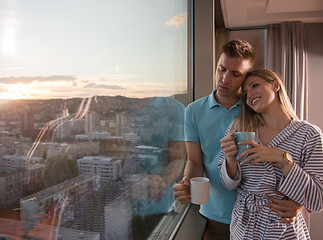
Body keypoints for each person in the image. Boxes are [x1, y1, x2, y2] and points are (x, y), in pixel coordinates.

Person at [172, 40, 303, 240]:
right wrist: (186, 183)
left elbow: (291, 154)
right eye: (221, 69)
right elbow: (195, 161)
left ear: (246, 78)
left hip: (261, 218)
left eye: (236, 74)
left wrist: (299, 202)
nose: (225, 79)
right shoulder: (194, 111)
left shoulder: (257, 107)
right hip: (214, 215)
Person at [219, 68, 323, 239]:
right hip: (244, 229)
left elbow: (317, 199)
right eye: (245, 93)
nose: (250, 95)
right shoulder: (238, 128)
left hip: (285, 230)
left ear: (275, 86)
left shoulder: (309, 134)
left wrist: (282, 159)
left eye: (255, 86)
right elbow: (228, 184)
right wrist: (230, 158)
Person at [125, 96, 186, 240]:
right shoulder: (124, 106)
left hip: (156, 206)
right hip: (121, 205)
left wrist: (162, 183)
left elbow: (178, 157)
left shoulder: (174, 109)